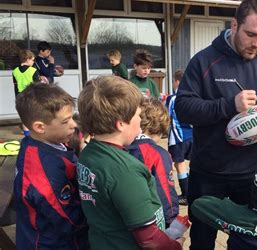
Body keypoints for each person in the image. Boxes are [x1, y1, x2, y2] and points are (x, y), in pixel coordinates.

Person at [174, 0, 257, 249]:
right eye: (251, 34)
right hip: (209, 174)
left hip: (255, 175)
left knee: (249, 243)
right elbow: (183, 109)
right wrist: (228, 105)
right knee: (202, 241)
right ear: (234, 25)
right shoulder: (204, 61)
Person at [77, 75, 183, 249]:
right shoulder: (125, 171)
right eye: (138, 115)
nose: (141, 120)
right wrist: (175, 246)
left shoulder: (88, 152)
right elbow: (149, 239)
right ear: (120, 124)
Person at [14, 82, 89, 249]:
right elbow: (68, 219)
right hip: (51, 243)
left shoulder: (42, 142)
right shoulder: (42, 171)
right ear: (40, 127)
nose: (74, 125)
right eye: (66, 121)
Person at [127, 97, 179, 227]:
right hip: (151, 220)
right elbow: (165, 191)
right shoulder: (158, 154)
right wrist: (172, 220)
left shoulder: (120, 147)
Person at [165, 69, 193, 206]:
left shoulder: (172, 98)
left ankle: (186, 195)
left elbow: (167, 117)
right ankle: (194, 192)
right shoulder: (193, 96)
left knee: (180, 165)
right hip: (193, 136)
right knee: (193, 163)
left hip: (177, 137)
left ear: (176, 82)